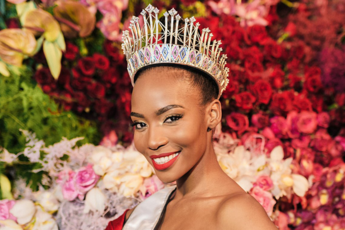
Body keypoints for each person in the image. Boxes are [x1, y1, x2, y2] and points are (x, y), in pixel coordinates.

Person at [106, 4, 277, 230]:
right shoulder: (140, 215)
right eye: (140, 124)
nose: (152, 141)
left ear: (212, 114)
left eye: (171, 118)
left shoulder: (237, 216)